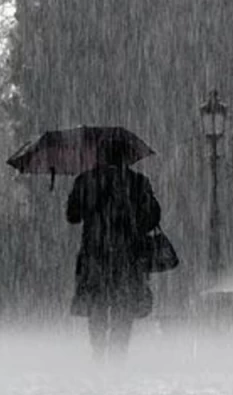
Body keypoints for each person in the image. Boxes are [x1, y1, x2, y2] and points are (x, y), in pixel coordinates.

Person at [66, 140, 162, 360]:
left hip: (95, 254)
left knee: (97, 307)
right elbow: (153, 219)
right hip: (127, 256)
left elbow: (72, 217)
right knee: (123, 307)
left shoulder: (86, 181)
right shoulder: (138, 182)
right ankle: (118, 355)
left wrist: (81, 200)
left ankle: (98, 352)